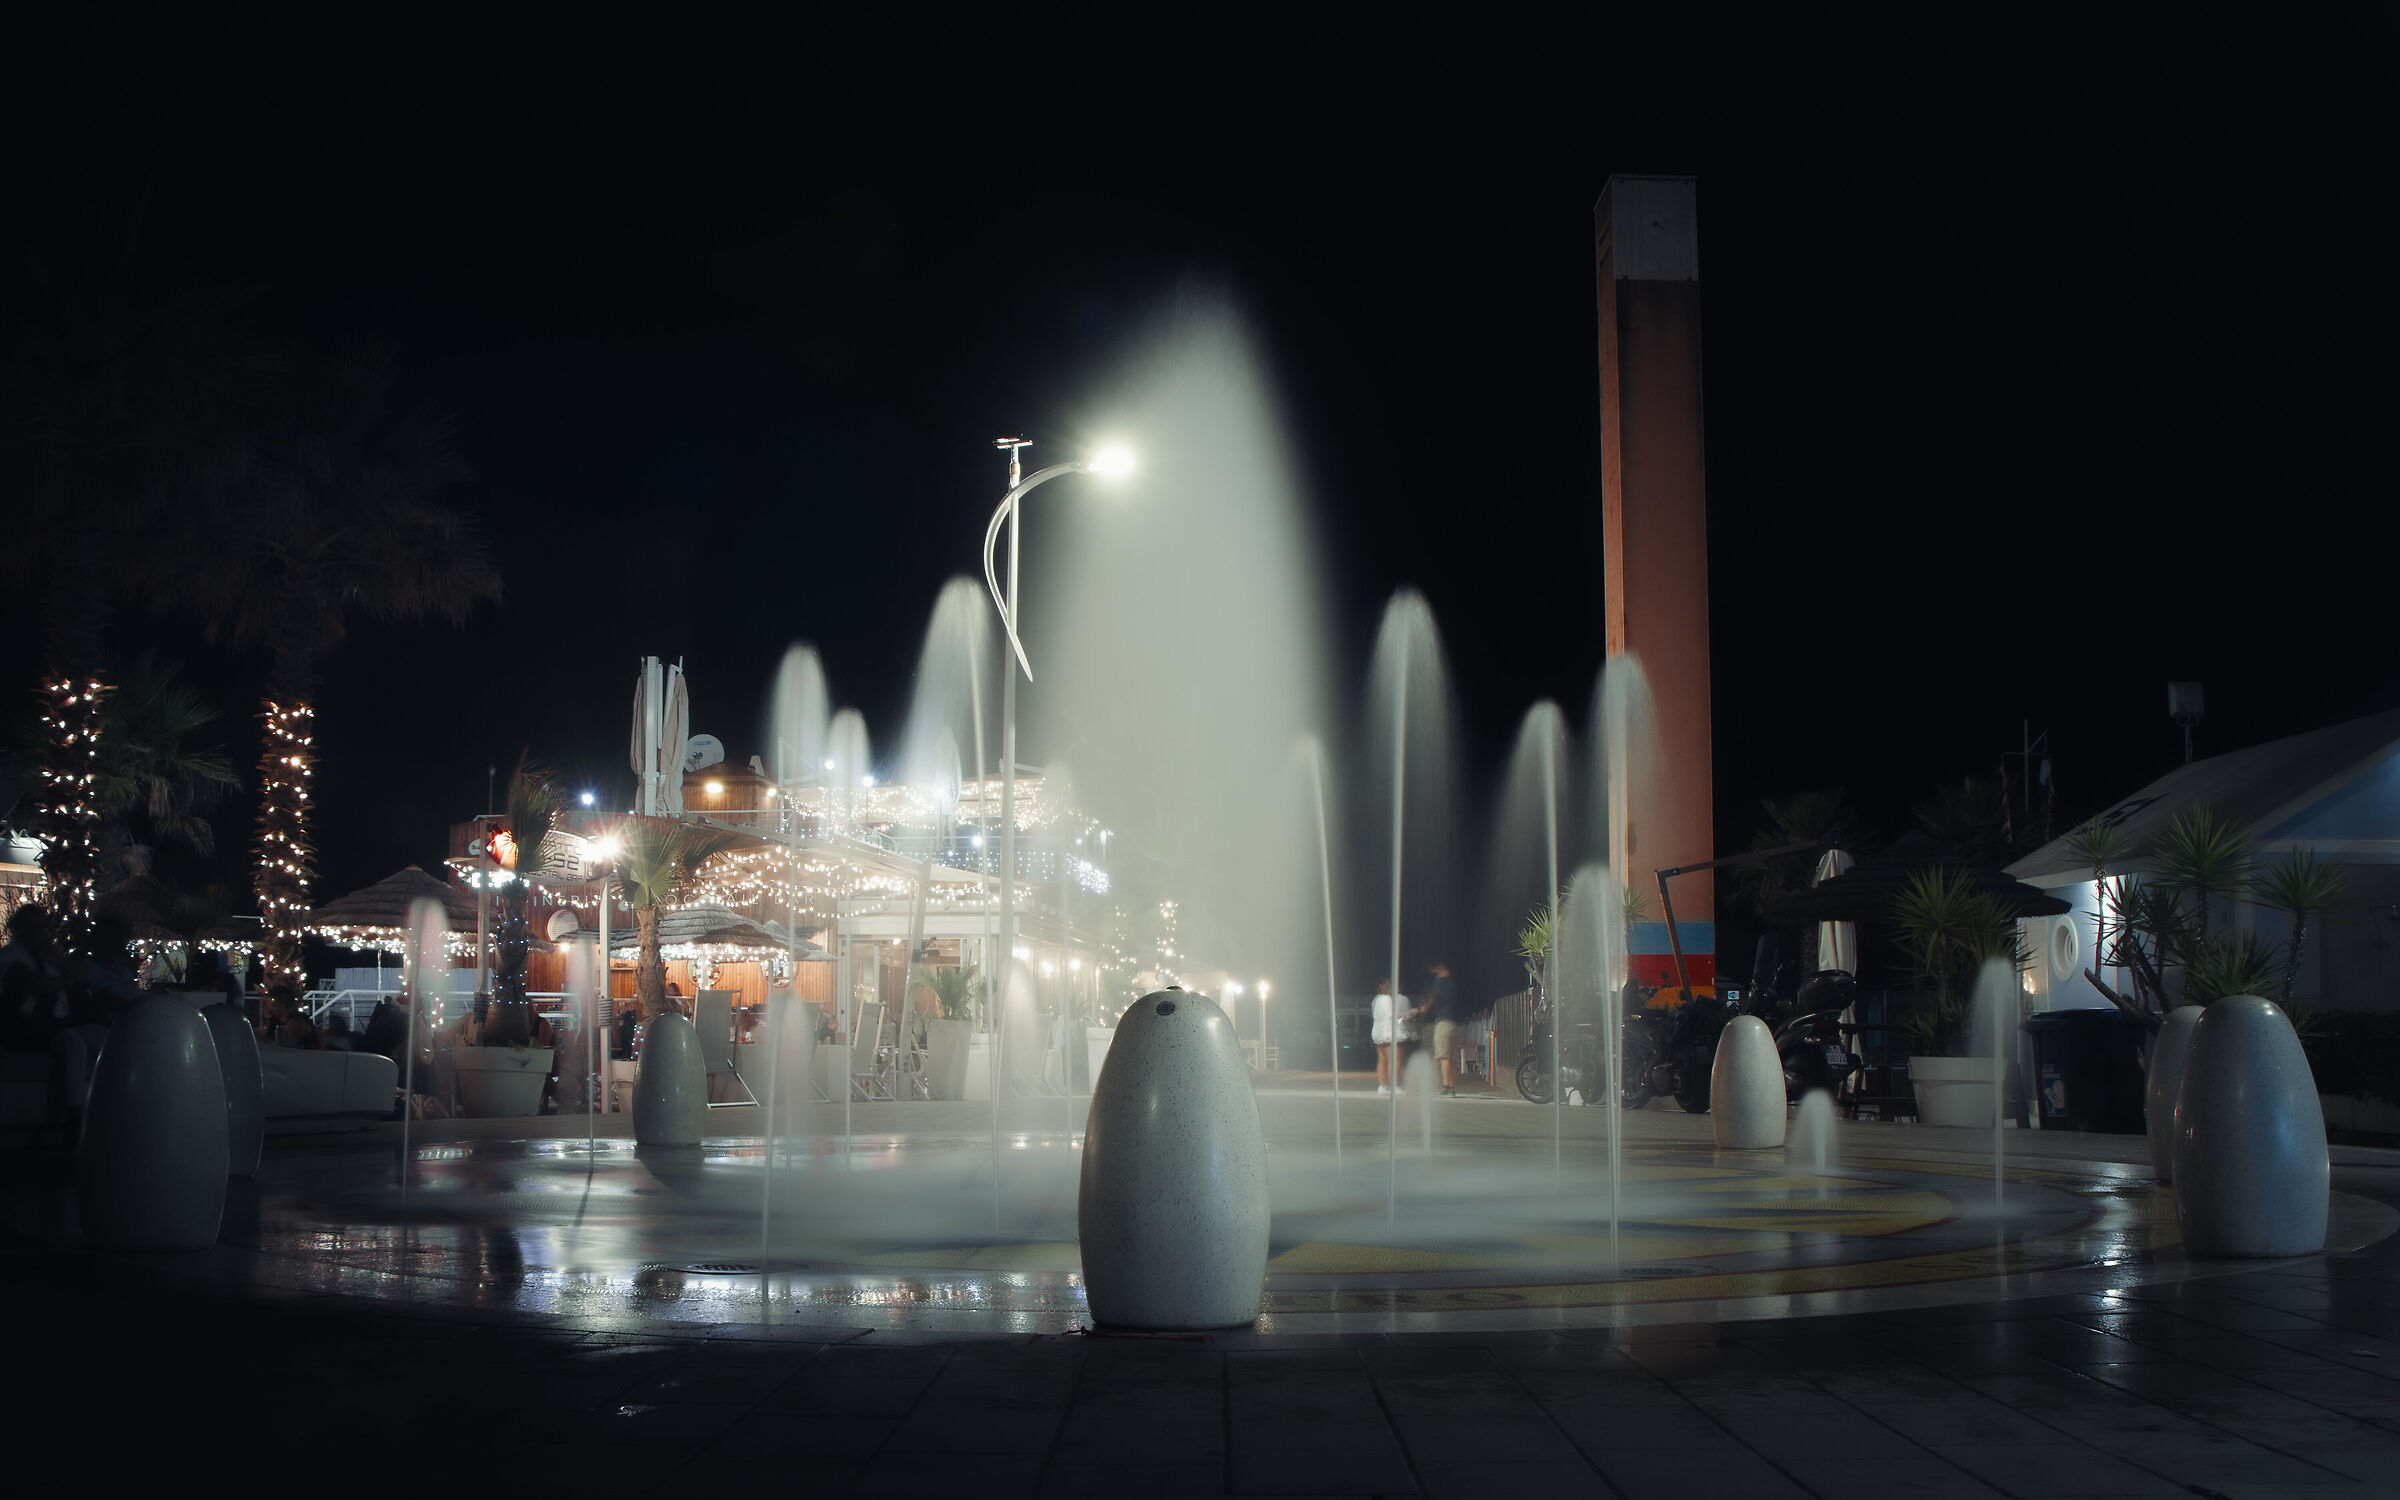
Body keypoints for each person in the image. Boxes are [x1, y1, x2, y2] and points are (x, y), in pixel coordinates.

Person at [1370, 977, 1415, 1096]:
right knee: (1395, 1061)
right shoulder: (1391, 999)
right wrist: (1412, 1013)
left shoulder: (1377, 999)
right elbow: (1393, 1015)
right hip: (1392, 1034)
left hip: (1378, 1034)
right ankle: (1394, 1086)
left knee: (1382, 1061)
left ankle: (1382, 1086)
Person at [1426, 962, 1462, 1097]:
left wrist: (1424, 1008)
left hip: (1443, 1022)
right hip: (1455, 1023)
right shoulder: (1453, 984)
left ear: (1440, 967)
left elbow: (1432, 999)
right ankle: (1451, 1086)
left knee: (1443, 1056)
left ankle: (1447, 1087)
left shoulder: (1439, 983)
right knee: (1450, 1058)